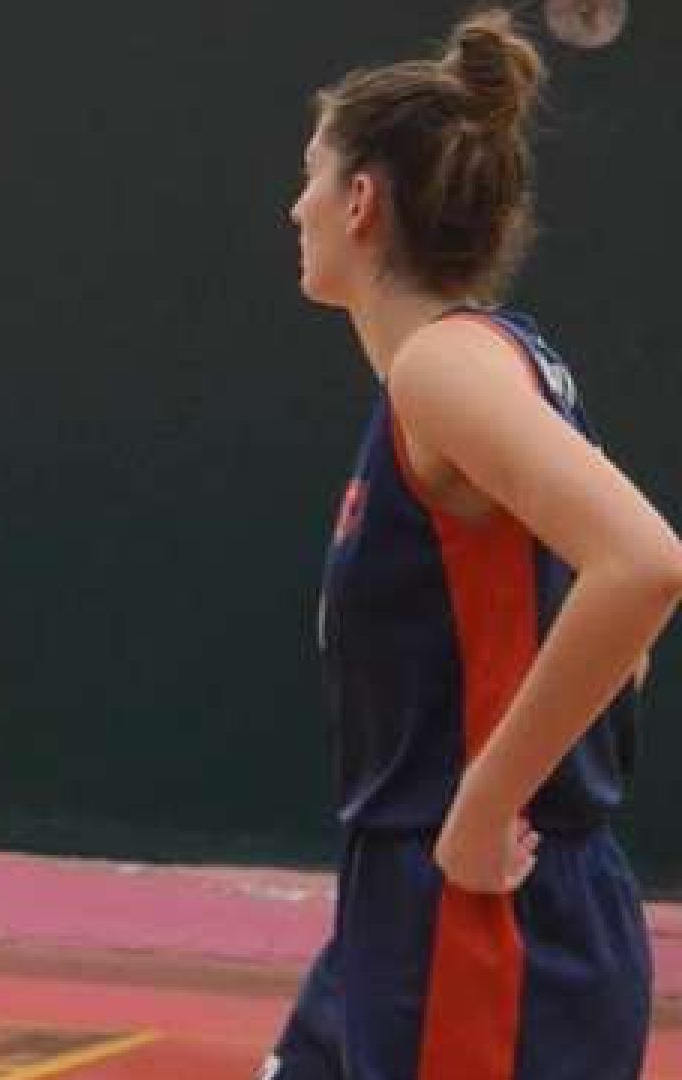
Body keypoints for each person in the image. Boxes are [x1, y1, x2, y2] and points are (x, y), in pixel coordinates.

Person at [268, 10, 682, 1079]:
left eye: (310, 176)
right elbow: (617, 642)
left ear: (361, 201)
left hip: (482, 908)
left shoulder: (444, 368)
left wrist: (487, 803)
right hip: (443, 893)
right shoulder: (494, 363)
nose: (296, 206)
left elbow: (643, 565)